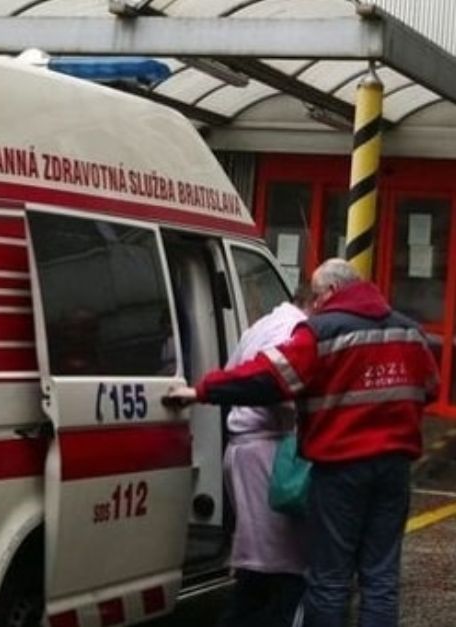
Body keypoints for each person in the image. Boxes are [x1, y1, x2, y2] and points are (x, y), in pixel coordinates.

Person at [166, 258, 438, 627]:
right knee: (380, 578)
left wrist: (201, 391)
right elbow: (429, 388)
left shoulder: (320, 333)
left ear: (332, 291)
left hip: (340, 469)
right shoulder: (409, 332)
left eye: (318, 295)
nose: (315, 303)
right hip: (394, 469)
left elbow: (268, 378)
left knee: (330, 577)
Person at [216, 297, 308, 627]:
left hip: (243, 448)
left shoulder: (261, 326)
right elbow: (279, 390)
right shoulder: (294, 330)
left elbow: (230, 376)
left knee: (259, 562)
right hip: (267, 452)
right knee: (282, 563)